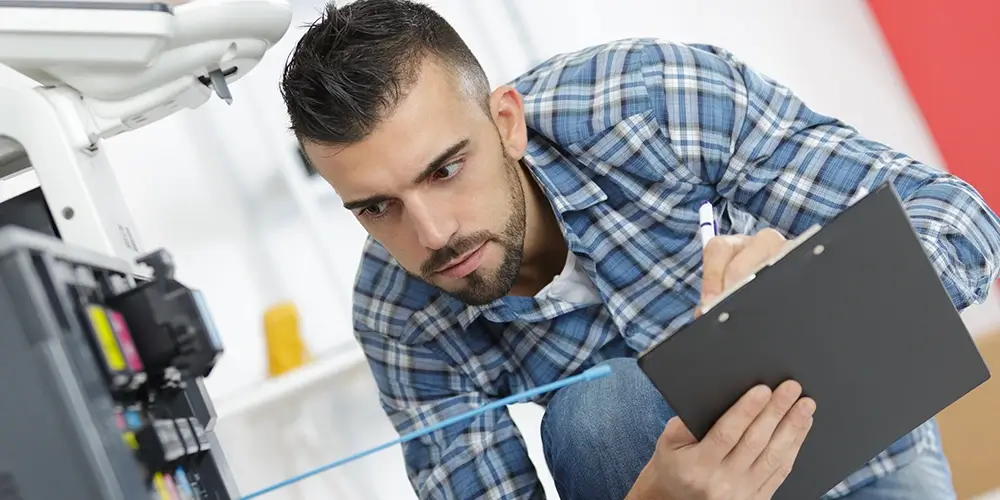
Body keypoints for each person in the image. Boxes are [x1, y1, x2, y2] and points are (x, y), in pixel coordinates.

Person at [279, 1, 1000, 498]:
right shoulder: (399, 319)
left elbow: (961, 222)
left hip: (860, 464)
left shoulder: (650, 99)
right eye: (377, 208)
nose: (432, 236)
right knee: (598, 415)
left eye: (445, 169)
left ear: (506, 122)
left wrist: (822, 286)